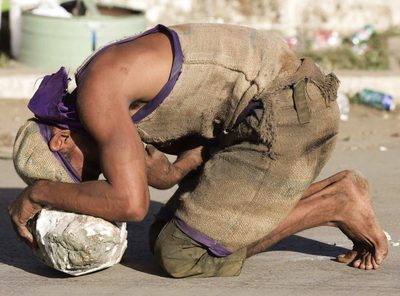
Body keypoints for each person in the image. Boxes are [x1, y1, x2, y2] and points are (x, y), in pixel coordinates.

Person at [9, 23, 388, 277]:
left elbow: (131, 203)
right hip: (266, 114)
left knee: (181, 253)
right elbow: (161, 171)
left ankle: (335, 202)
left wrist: (39, 192)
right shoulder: (100, 100)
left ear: (61, 138)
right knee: (163, 235)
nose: (91, 181)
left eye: (81, 177)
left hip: (287, 117)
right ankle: (320, 196)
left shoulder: (97, 93)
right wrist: (171, 173)